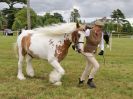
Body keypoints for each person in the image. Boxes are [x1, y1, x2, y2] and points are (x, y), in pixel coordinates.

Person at [79, 20, 104, 88]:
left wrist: (102, 50)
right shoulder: (88, 31)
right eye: (99, 27)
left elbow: (101, 42)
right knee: (97, 65)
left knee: (89, 66)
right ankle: (90, 80)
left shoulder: (101, 33)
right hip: (87, 51)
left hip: (93, 52)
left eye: (101, 27)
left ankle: (81, 79)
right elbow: (80, 37)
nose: (100, 28)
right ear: (95, 26)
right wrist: (78, 47)